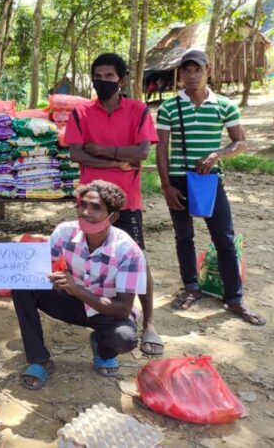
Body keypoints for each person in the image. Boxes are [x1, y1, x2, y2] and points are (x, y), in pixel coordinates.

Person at [156, 49, 266, 325]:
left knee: (224, 239)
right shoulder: (170, 107)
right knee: (184, 237)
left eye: (197, 70)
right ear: (180, 74)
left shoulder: (224, 105)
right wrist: (166, 185)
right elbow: (161, 150)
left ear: (209, 71)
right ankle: (192, 287)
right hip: (179, 181)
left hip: (209, 181)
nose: (192, 75)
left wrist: (218, 154)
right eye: (186, 70)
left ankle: (235, 299)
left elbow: (240, 142)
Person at [65, 53, 164, 356]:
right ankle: (102, 318)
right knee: (90, 257)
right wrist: (119, 158)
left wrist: (102, 149)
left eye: (109, 76)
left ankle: (148, 323)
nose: (103, 81)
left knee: (137, 260)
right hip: (91, 201)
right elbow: (77, 155)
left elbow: (143, 152)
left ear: (121, 80)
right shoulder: (81, 112)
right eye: (98, 75)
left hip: (127, 199)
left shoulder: (138, 111)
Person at [12, 180, 146, 389]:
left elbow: (122, 309)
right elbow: (36, 266)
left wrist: (77, 290)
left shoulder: (128, 251)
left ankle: (102, 348)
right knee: (21, 284)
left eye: (95, 208)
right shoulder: (65, 232)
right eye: (82, 205)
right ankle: (39, 359)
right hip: (71, 302)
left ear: (113, 216)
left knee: (125, 339)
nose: (85, 212)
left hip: (107, 310)